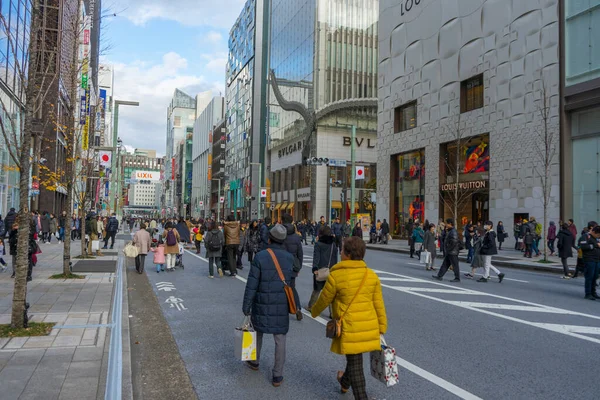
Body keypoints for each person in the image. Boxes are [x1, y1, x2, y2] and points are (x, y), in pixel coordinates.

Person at [310, 237, 387, 399]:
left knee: (356, 364)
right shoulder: (370, 275)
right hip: (369, 326)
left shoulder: (337, 276)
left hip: (349, 326)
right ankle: (344, 382)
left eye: (343, 249)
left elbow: (325, 298)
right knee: (354, 358)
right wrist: (382, 327)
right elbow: (378, 304)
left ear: (348, 254)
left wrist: (314, 312)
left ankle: (361, 396)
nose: (340, 251)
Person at [242, 224, 295, 387]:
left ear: (269, 238)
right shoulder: (289, 258)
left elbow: (252, 283)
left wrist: (246, 305)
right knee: (280, 338)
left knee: (257, 330)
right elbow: (291, 283)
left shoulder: (260, 256)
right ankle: (277, 375)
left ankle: (254, 361)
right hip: (280, 303)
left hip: (261, 300)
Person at [307, 226, 338, 312]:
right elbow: (335, 258)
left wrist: (315, 268)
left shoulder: (318, 244)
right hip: (331, 270)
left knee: (317, 289)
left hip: (320, 270)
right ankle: (332, 312)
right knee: (330, 292)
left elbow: (316, 257)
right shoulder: (333, 244)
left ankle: (311, 306)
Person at [282, 213, 304, 321]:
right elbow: (300, 253)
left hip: (280, 265)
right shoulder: (296, 236)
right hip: (293, 265)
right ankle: (298, 308)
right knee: (292, 287)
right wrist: (298, 267)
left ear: (282, 221)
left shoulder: (279, 233)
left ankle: (283, 309)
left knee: (280, 287)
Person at [578, 225, 600, 300]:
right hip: (589, 259)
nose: (598, 236)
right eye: (598, 235)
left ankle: (593, 292)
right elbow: (583, 246)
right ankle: (588, 293)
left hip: (597, 259)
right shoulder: (585, 236)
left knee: (595, 277)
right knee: (589, 277)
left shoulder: (596, 238)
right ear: (593, 232)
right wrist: (595, 245)